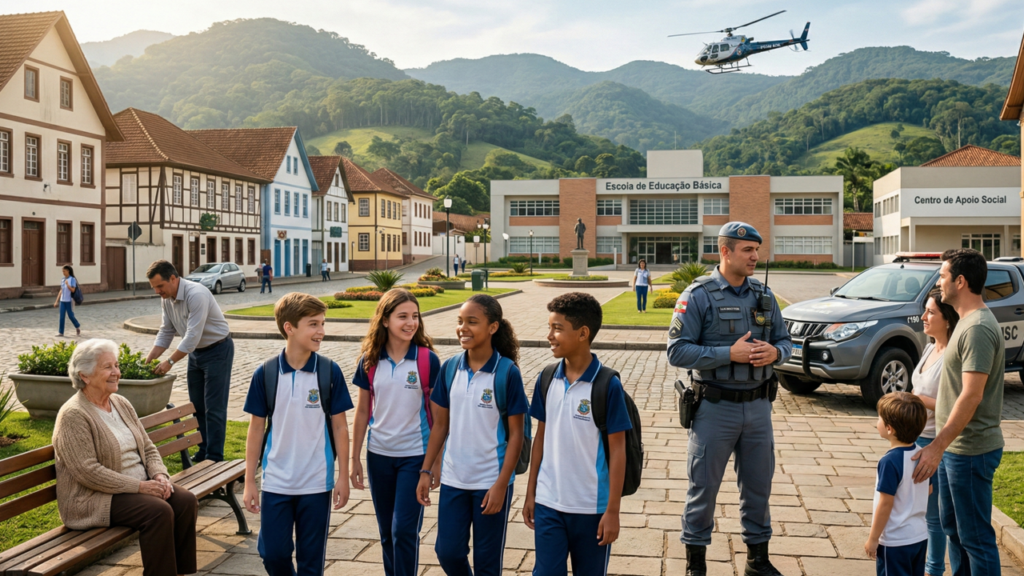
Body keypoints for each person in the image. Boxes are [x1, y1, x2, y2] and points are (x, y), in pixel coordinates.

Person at [667, 222, 791, 576]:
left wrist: (775, 353)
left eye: (756, 250)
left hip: (757, 409)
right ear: (725, 251)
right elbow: (676, 351)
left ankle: (757, 560)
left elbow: (786, 341)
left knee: (758, 487)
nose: (755, 256)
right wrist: (728, 354)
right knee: (703, 488)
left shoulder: (764, 296)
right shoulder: (699, 295)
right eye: (747, 250)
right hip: (713, 409)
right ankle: (696, 565)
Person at [53, 339, 199, 576]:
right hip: (93, 498)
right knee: (158, 512)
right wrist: (140, 487)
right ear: (85, 376)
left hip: (135, 487)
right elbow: (88, 472)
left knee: (185, 501)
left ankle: (181, 573)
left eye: (117, 365)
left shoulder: (120, 403)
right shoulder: (73, 415)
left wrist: (160, 476)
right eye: (108, 367)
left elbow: (148, 447)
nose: (116, 373)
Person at [416, 294, 528, 576]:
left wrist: (502, 484)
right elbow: (440, 425)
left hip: (490, 482)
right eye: (460, 321)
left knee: (487, 563)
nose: (463, 328)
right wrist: (426, 469)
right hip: (455, 480)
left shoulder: (507, 373)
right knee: (447, 551)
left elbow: (517, 435)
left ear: (493, 327)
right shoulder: (451, 368)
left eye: (472, 322)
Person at [241, 293, 352, 576]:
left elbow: (340, 426)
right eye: (313, 324)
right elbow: (255, 429)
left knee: (310, 563)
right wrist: (249, 481)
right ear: (289, 327)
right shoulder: (265, 373)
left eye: (323, 324)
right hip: (276, 481)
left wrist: (342, 476)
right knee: (273, 554)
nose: (321, 332)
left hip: (316, 482)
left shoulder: (329, 372)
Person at [523, 292, 632, 576]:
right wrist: (531, 492)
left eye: (557, 328)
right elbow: (540, 439)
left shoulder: (607, 385)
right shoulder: (546, 377)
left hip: (591, 508)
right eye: (550, 327)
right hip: (549, 503)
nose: (549, 335)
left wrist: (613, 511)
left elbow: (618, 450)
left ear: (583, 333)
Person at [912, 248, 1004, 575]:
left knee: (976, 539)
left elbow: (971, 395)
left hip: (971, 449)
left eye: (943, 276)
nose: (938, 281)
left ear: (960, 281)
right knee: (953, 530)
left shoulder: (977, 327)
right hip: (956, 449)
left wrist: (936, 446)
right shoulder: (966, 322)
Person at [351, 289, 441, 576]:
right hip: (378, 456)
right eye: (402, 316)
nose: (410, 322)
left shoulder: (428, 360)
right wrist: (354, 459)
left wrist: (434, 463)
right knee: (387, 532)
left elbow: (439, 418)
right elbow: (362, 412)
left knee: (404, 530)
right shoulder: (369, 359)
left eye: (415, 316)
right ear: (385, 320)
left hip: (415, 457)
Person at [144, 260, 233, 463]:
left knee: (214, 407)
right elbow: (166, 331)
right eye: (154, 287)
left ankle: (215, 458)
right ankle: (203, 451)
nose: (157, 291)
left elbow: (192, 335)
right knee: (197, 406)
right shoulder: (166, 299)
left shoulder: (197, 294)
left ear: (173, 279)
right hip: (195, 354)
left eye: (160, 286)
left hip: (218, 350)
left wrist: (169, 362)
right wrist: (150, 359)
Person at [913, 288, 958, 576]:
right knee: (918, 510)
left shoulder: (952, 356)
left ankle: (933, 570)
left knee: (935, 515)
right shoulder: (930, 346)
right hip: (915, 438)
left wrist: (915, 401)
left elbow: (952, 404)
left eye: (931, 312)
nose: (924, 316)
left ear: (948, 320)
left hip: (934, 441)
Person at [864, 392, 929, 575]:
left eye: (879, 418)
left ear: (890, 428)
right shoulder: (924, 456)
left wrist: (873, 538)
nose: (877, 421)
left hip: (895, 541)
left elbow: (886, 503)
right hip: (919, 536)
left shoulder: (889, 461)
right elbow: (929, 489)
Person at [54, 264, 82, 337]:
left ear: (68, 271)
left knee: (70, 315)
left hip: (69, 300)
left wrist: (68, 285)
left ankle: (77, 326)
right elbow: (61, 290)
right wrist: (56, 301)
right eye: (62, 271)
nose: (63, 272)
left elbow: (73, 290)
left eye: (64, 271)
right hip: (62, 300)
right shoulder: (62, 279)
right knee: (61, 316)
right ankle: (61, 332)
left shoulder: (72, 279)